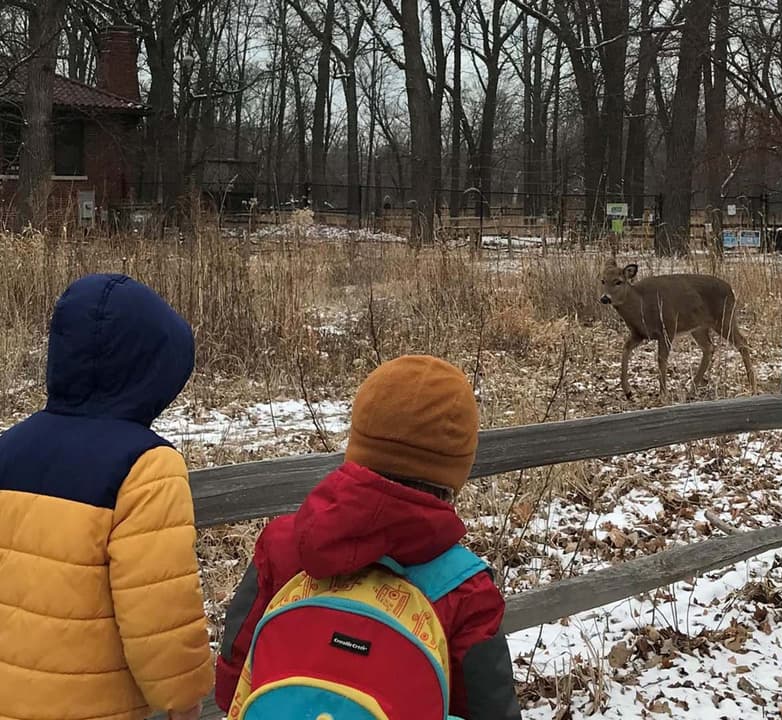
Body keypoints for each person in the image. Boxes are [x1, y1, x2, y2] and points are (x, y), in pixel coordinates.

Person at [215, 355, 520, 719]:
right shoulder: (465, 589)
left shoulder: (283, 544)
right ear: (455, 470)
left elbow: (232, 680)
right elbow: (492, 711)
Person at [0, 273, 212, 720]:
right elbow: (159, 610)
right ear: (154, 371)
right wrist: (183, 699)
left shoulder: (8, 448)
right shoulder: (146, 468)